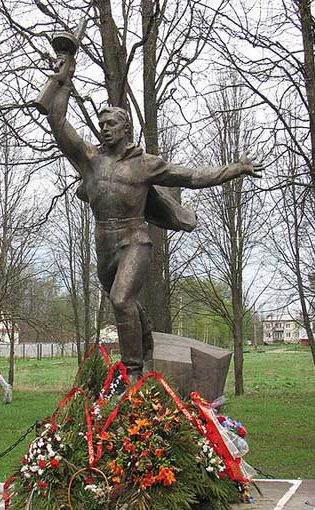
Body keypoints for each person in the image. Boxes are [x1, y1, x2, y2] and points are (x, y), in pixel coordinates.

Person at [45, 53, 263, 382]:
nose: (104, 130)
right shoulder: (91, 161)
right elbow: (58, 124)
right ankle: (146, 344)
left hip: (135, 241)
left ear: (126, 129)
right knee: (124, 301)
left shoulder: (145, 164)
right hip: (103, 244)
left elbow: (192, 176)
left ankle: (132, 372)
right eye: (102, 125)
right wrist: (63, 80)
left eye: (111, 125)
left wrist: (236, 169)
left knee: (121, 299)